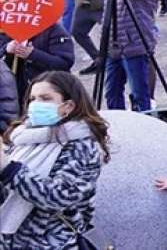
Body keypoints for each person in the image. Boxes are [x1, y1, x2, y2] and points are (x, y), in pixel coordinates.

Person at [0, 71, 110, 250]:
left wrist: (9, 170)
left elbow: (59, 196)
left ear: (68, 106)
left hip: (52, 242)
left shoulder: (81, 145)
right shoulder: (23, 136)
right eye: (32, 99)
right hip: (13, 241)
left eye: (45, 98)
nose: (35, 105)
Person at [100, 0, 157, 112]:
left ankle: (142, 124)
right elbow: (107, 13)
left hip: (135, 45)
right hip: (114, 46)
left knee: (139, 94)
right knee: (111, 92)